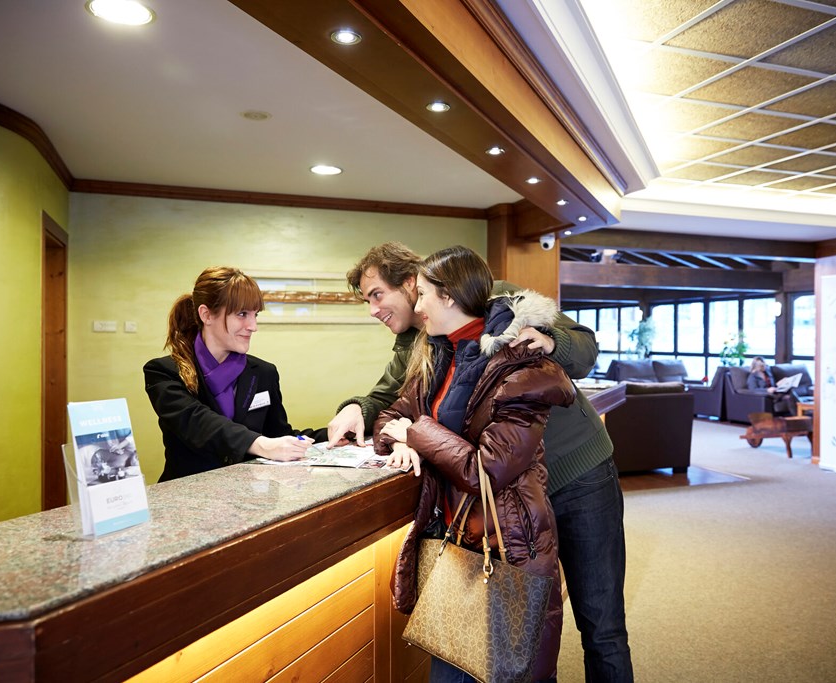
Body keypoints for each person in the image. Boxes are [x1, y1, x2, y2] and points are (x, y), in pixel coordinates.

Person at [328, 242, 634, 681]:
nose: (372, 308)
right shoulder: (421, 343)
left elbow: (585, 347)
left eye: (376, 294)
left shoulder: (500, 300)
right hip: (513, 500)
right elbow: (392, 399)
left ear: (413, 284)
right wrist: (358, 407)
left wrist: (550, 340)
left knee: (601, 624)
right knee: (520, 635)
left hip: (578, 475)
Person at [372, 245, 575, 682]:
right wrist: (400, 437)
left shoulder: (523, 370)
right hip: (453, 542)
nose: (418, 305)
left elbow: (486, 469)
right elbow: (389, 416)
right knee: (449, 672)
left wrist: (417, 433)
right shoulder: (437, 356)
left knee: (511, 672)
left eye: (422, 294)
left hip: (508, 546)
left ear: (448, 296)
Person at [144, 266, 313, 482]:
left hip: (251, 500)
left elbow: (277, 434)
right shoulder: (164, 373)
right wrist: (262, 444)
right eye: (242, 314)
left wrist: (331, 435)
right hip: (189, 501)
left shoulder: (263, 372)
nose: (253, 326)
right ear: (206, 315)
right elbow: (200, 424)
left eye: (255, 315)